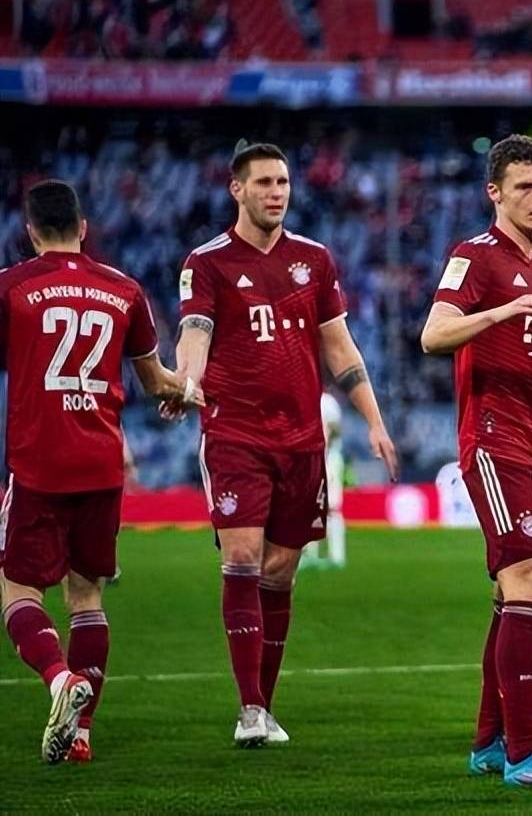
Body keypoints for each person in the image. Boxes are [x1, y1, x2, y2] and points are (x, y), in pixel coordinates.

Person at [174, 139, 399, 749]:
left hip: (301, 441)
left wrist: (374, 421)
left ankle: (265, 705)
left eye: (283, 183)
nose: (277, 193)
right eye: (264, 183)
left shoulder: (314, 259)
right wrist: (188, 382)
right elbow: (195, 332)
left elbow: (339, 347)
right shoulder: (208, 262)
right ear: (237, 189)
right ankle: (249, 709)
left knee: (280, 571)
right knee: (243, 559)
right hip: (235, 435)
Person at [0, 180, 195, 764]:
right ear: (84, 228)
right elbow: (157, 382)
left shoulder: (11, 287)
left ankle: (60, 680)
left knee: (16, 588)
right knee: (86, 598)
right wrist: (184, 393)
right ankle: (80, 735)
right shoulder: (124, 289)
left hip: (39, 461)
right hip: (102, 463)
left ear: (30, 232)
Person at [420, 134, 532, 788]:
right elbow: (434, 334)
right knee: (528, 585)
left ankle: (489, 743)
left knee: (514, 597)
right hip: (494, 441)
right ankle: (525, 755)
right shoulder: (475, 257)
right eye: (525, 187)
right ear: (494, 192)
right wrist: (501, 311)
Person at [301, 390, 347, 569]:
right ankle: (310, 554)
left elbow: (337, 430)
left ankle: (337, 555)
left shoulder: (328, 402)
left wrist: (323, 438)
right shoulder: (302, 399)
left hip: (330, 459)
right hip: (307, 458)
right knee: (308, 507)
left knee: (332, 507)